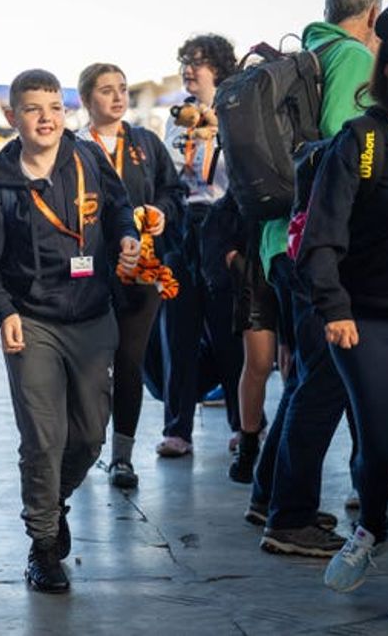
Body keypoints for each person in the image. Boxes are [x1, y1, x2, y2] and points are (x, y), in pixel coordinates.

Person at [0, 69, 140, 593]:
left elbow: (118, 207)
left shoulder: (87, 159)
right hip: (31, 323)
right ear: (13, 117)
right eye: (34, 109)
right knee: (43, 438)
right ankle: (42, 545)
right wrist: (4, 310)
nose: (47, 118)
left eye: (55, 107)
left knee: (87, 437)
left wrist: (126, 237)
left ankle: (50, 502)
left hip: (92, 317)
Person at [296, 0, 388, 627]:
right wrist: (335, 306)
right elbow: (321, 236)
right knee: (381, 446)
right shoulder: (364, 139)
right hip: (368, 321)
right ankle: (373, 525)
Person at [255, 0, 382, 558]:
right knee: (326, 379)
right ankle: (290, 517)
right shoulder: (352, 56)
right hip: (314, 241)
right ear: (373, 13)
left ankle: (269, 494)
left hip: (279, 239)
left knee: (308, 377)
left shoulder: (311, 53)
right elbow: (344, 144)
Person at [75, 63, 185, 488]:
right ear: (87, 100)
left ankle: (122, 456)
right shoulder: (74, 147)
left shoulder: (145, 143)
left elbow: (172, 192)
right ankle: (82, 448)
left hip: (141, 271)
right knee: (86, 366)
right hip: (89, 273)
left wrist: (161, 212)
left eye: (122, 89)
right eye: (106, 90)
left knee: (129, 363)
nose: (118, 97)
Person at [153, 35, 244, 458]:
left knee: (228, 332)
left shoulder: (234, 114)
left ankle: (243, 424)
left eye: (199, 63)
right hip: (179, 227)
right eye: (185, 62)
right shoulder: (175, 120)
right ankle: (178, 429)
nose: (190, 69)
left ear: (219, 68)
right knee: (178, 330)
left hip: (220, 224)